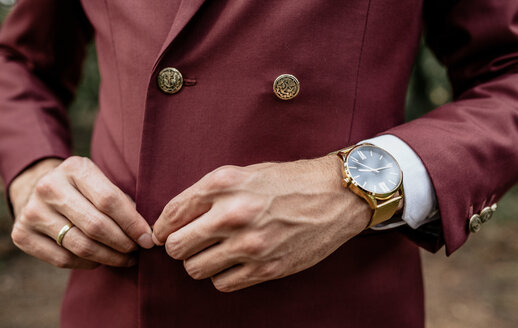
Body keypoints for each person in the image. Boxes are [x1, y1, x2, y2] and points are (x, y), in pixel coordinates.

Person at [0, 0, 517, 327]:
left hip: (332, 303)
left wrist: (354, 187)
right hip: (117, 300)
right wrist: (32, 171)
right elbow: (21, 62)